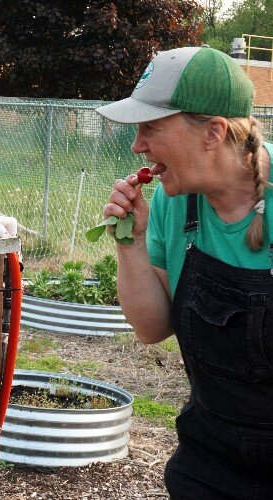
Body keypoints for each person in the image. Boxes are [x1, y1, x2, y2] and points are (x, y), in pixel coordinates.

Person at [96, 46, 273, 498]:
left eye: (151, 127)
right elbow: (152, 327)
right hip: (211, 457)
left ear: (213, 132)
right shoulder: (177, 201)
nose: (137, 145)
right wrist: (130, 243)